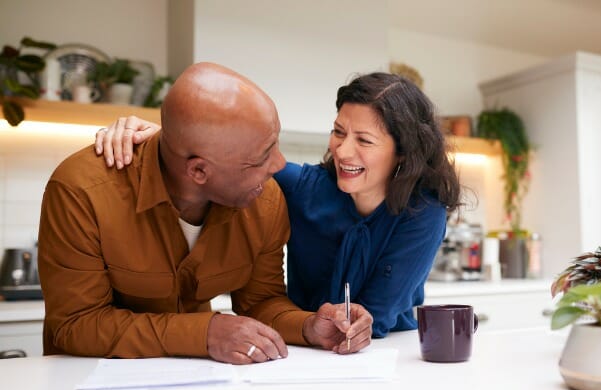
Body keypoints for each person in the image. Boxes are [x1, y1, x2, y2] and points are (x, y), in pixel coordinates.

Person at [38, 62, 373, 365]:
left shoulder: (264, 199)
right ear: (198, 172)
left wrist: (309, 325)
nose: (279, 165)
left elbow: (261, 302)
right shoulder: (81, 191)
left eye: (275, 143)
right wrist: (204, 334)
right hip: (86, 380)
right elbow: (76, 324)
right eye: (261, 157)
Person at [95, 72, 461, 337]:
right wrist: (159, 136)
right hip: (302, 342)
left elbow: (375, 317)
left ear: (404, 153)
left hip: (383, 352)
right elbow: (222, 155)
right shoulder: (305, 188)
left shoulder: (423, 213)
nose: (342, 151)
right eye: (338, 132)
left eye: (364, 140)